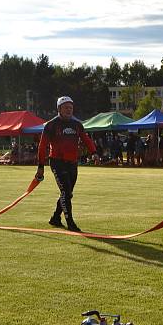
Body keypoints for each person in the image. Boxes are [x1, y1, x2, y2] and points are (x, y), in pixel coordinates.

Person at [36, 96, 99, 232]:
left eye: (71, 107)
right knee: (66, 192)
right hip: (57, 162)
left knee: (68, 193)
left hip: (72, 163)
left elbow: (86, 139)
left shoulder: (77, 124)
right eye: (66, 107)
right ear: (59, 109)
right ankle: (70, 222)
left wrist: (94, 152)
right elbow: (42, 147)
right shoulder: (51, 125)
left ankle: (55, 218)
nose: (69, 110)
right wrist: (40, 166)